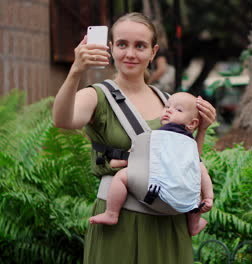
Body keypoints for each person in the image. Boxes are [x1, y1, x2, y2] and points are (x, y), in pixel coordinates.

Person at [52, 12, 216, 264]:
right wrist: (76, 71)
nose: (130, 53)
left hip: (169, 220)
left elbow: (189, 161)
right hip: (121, 220)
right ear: (111, 48)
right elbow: (62, 120)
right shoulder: (98, 96)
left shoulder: (169, 102)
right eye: (122, 44)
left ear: (153, 52)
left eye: (140, 46)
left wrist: (202, 129)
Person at [88, 92, 213, 237]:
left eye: (178, 110)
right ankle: (194, 225)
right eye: (167, 106)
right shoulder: (191, 145)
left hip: (155, 192)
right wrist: (208, 197)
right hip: (183, 201)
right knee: (196, 183)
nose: (169, 110)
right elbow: (201, 170)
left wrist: (118, 161)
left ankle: (111, 213)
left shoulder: (157, 135)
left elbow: (137, 154)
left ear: (192, 123)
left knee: (121, 177)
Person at [147, 21, 175, 93]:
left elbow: (161, 69)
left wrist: (147, 81)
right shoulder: (164, 47)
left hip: (161, 85)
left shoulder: (159, 50)